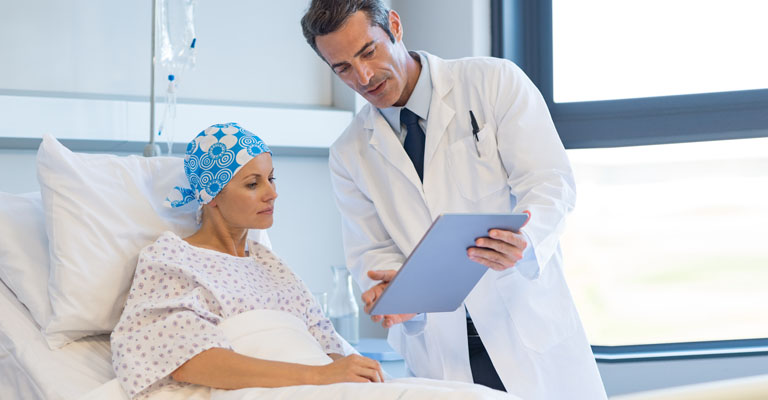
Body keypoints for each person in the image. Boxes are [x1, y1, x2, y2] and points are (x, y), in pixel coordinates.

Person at [300, 1, 607, 399]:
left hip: (526, 328)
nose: (363, 76)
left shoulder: (492, 82)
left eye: (368, 51)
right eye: (342, 68)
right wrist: (395, 292)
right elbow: (372, 252)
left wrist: (527, 241)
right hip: (439, 351)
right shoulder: (349, 152)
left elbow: (549, 181)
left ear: (394, 25)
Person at [110, 122, 515, 400]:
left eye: (272, 179)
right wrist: (319, 376)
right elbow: (189, 361)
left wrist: (349, 369)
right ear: (211, 195)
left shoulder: (271, 265)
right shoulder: (172, 260)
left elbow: (325, 344)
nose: (271, 193)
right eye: (252, 184)